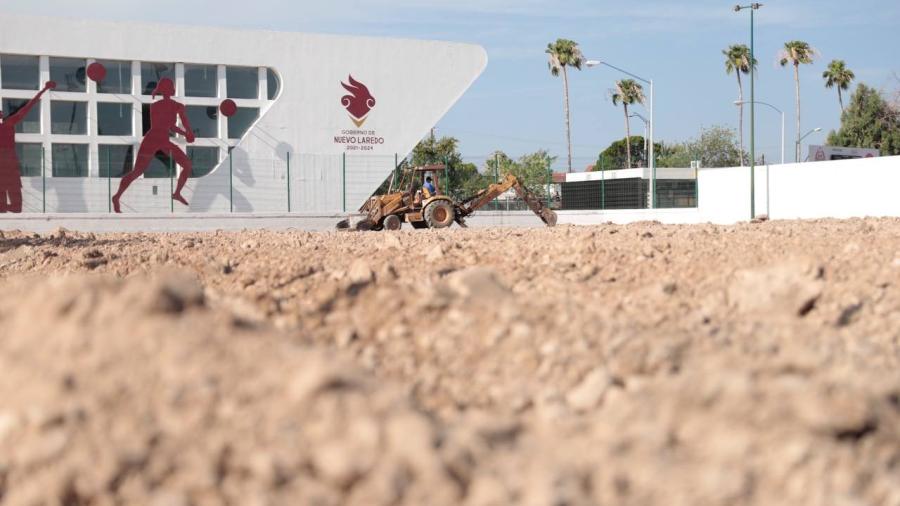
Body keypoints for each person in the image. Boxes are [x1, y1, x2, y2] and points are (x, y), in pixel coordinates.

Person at [112, 77, 194, 213]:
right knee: (137, 172)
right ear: (169, 90)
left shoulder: (175, 106)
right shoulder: (156, 106)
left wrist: (187, 132)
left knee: (187, 165)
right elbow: (168, 125)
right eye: (169, 88)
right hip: (154, 139)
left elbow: (178, 123)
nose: (170, 90)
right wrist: (187, 133)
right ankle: (116, 197)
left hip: (161, 140)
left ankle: (177, 193)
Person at [0, 81, 55, 213]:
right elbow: (26, 108)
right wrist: (42, 91)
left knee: (9, 186)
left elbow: (26, 107)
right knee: (10, 185)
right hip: (8, 158)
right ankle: (9, 206)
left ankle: (8, 206)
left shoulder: (8, 123)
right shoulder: (9, 123)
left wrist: (42, 91)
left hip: (8, 158)